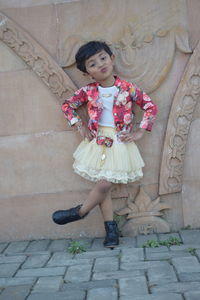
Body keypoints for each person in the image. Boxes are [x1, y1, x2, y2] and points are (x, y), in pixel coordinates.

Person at [52, 41, 158, 248]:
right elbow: (67, 106)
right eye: (92, 63)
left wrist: (140, 131)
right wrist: (79, 125)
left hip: (119, 142)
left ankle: (80, 211)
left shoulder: (128, 88)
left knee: (104, 183)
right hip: (98, 141)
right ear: (87, 73)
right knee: (104, 186)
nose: (100, 64)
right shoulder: (88, 91)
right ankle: (111, 231)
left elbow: (150, 106)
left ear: (112, 59)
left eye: (103, 58)